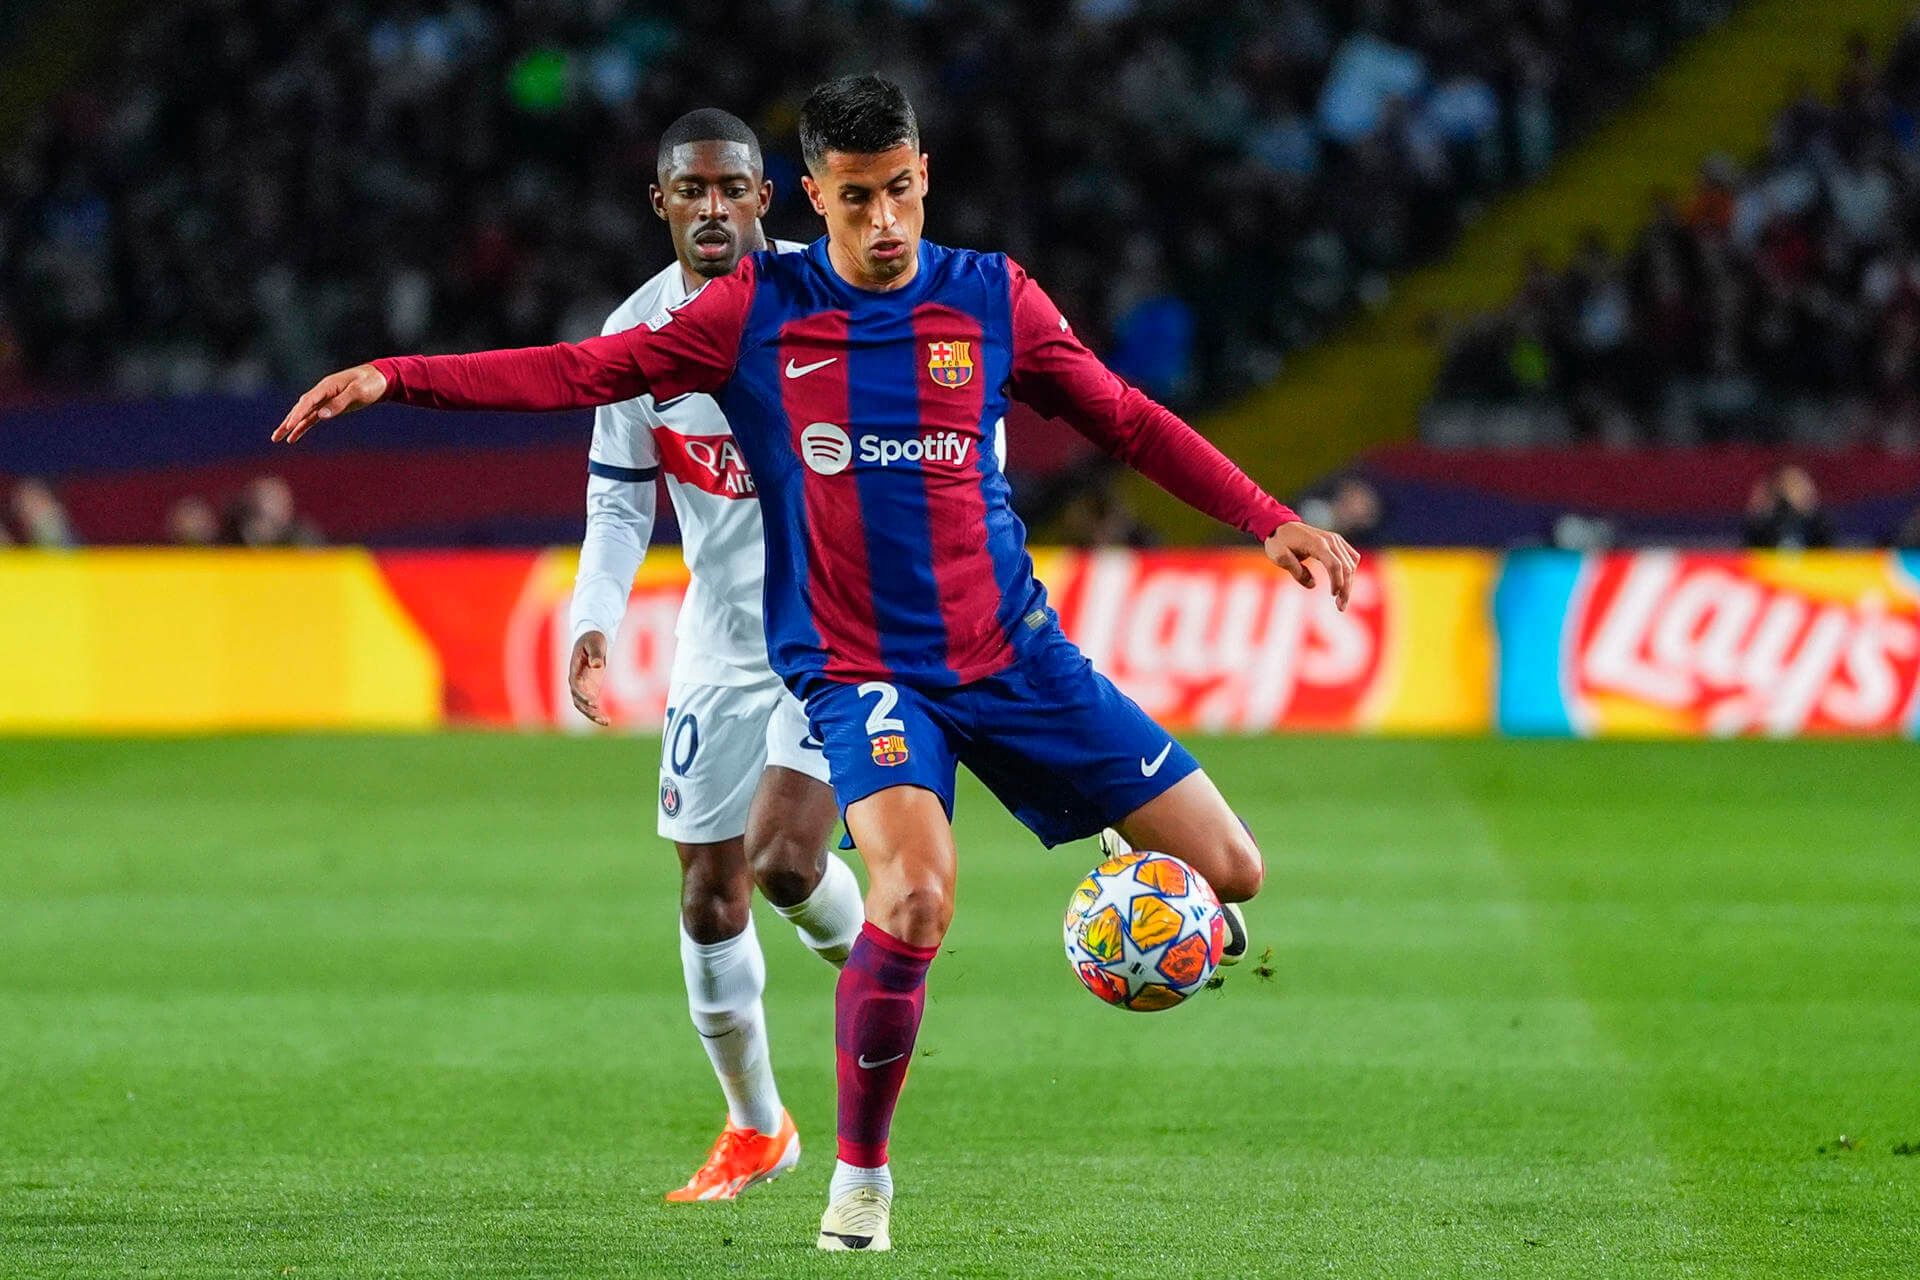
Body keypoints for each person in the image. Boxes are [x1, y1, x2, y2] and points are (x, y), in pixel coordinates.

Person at [271, 74, 1359, 1253]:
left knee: (1237, 872)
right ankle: (861, 1180)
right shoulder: (756, 308)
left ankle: (1117, 843)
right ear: (813, 197)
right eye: (855, 199)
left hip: (1015, 652)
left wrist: (1266, 517)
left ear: (925, 176)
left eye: (900, 192)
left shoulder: (994, 296)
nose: (884, 223)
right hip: (861, 672)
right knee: (915, 894)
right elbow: (585, 372)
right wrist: (402, 374)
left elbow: (1128, 419)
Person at [565, 107, 864, 1203]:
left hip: (836, 630)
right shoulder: (637, 337)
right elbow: (615, 503)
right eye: (688, 190)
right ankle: (758, 1128)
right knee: (708, 894)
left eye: (729, 188)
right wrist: (592, 617)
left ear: (764, 198)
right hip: (722, 645)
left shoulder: (830, 304)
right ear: (662, 204)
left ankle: (883, 968)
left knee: (785, 859)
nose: (710, 208)